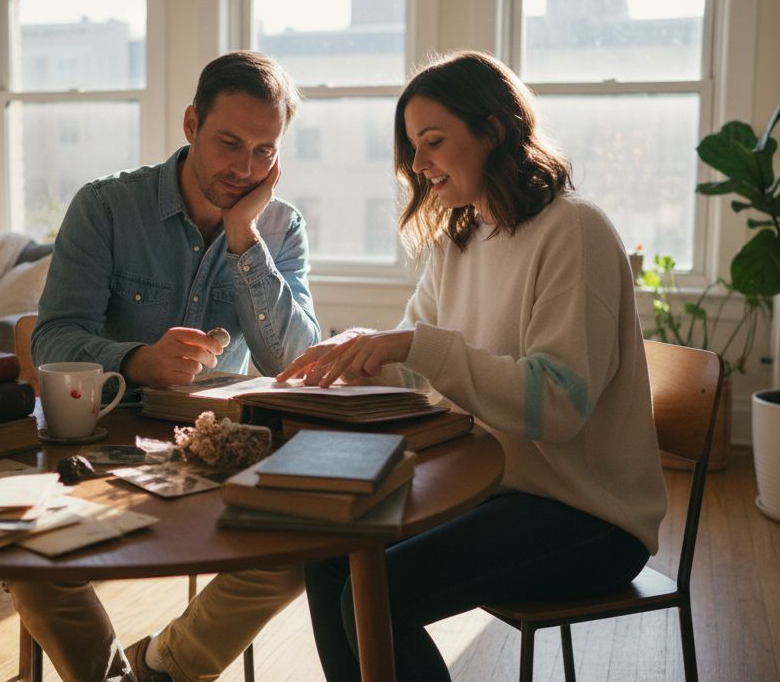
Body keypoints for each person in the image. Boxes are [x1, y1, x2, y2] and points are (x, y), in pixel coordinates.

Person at [275, 51, 667, 682]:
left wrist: (411, 346)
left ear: (494, 131)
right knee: (333, 555)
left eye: (434, 142)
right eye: (412, 147)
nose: (420, 164)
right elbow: (415, 364)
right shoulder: (460, 240)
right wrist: (359, 353)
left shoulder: (576, 231)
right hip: (494, 492)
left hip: (588, 517)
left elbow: (557, 405)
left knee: (383, 592)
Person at [8, 50, 321, 682]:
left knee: (304, 550)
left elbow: (295, 362)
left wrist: (243, 236)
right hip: (101, 445)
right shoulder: (106, 207)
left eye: (265, 151)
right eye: (229, 143)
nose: (245, 167)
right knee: (21, 547)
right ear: (190, 125)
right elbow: (53, 340)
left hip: (216, 454)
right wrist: (139, 361)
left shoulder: (280, 227)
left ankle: (161, 670)